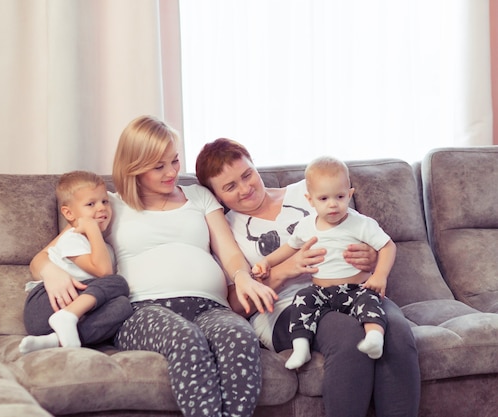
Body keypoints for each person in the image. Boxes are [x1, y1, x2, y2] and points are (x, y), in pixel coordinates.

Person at [27, 116, 277, 417]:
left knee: (240, 337)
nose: (172, 172)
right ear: (133, 166)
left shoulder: (199, 196)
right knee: (185, 339)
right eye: (159, 166)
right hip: (142, 310)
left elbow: (230, 253)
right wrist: (51, 272)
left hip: (211, 307)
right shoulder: (108, 205)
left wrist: (242, 277)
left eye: (174, 160)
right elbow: (43, 257)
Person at [196, 138, 420, 417]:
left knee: (396, 331)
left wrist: (371, 258)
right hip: (287, 307)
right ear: (216, 196)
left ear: (255, 165)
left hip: (353, 289)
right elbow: (235, 305)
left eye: (247, 174)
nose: (245, 188)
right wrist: (288, 268)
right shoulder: (225, 229)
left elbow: (365, 235)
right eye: (230, 186)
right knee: (348, 337)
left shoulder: (307, 188)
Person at [251, 156, 396, 370]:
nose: (333, 204)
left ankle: (375, 337)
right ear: (310, 200)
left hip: (356, 289)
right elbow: (289, 248)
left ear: (350, 194)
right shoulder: (306, 226)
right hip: (321, 291)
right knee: (302, 300)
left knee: (371, 302)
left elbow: (388, 246)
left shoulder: (361, 223)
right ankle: (301, 348)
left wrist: (379, 275)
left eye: (340, 196)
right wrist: (266, 262)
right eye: (324, 198)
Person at [20, 171, 133, 354]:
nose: (102, 208)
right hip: (45, 304)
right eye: (91, 204)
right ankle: (67, 316)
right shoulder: (73, 238)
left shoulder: (104, 249)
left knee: (122, 306)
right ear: (69, 213)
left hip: (66, 312)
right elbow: (104, 272)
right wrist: (91, 228)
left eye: (105, 201)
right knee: (118, 283)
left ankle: (55, 340)